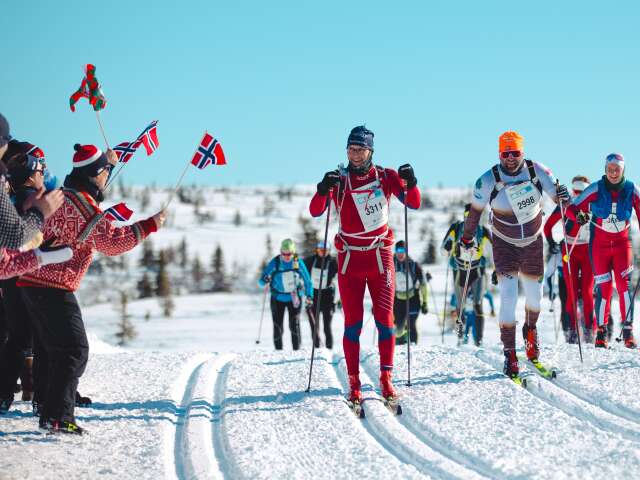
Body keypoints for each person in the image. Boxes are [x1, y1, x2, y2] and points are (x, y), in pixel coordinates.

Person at [16, 143, 166, 434]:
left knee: (55, 349)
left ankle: (49, 410)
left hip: (29, 281)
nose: (107, 176)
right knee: (74, 350)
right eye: (105, 172)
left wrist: (109, 161)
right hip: (52, 285)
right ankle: (58, 416)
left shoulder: (63, 195)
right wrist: (150, 225)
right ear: (95, 174)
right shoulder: (84, 207)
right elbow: (114, 243)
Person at [309, 125, 421, 404]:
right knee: (353, 325)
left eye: (360, 149)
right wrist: (323, 189)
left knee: (386, 320)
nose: (355, 155)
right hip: (349, 259)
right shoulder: (340, 180)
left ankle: (385, 378)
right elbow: (315, 210)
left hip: (380, 256)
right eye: (350, 149)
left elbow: (414, 203)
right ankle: (354, 382)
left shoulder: (386, 176)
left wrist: (412, 182)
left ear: (371, 150)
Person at [461, 131, 568, 379]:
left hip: (532, 242)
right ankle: (510, 354)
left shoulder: (536, 170)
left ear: (523, 152)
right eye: (505, 153)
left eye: (515, 153)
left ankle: (530, 334)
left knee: (535, 298)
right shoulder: (488, 179)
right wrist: (467, 238)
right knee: (508, 297)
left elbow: (559, 198)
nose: (510, 158)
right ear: (499, 154)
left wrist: (566, 200)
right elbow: (474, 214)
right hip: (504, 243)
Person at [567, 153, 640, 348]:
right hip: (599, 245)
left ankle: (628, 331)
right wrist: (578, 216)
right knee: (604, 287)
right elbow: (571, 207)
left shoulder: (632, 190)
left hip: (622, 244)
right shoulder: (596, 188)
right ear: (605, 170)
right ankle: (601, 331)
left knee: (624, 286)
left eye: (617, 169)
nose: (613, 173)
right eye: (610, 169)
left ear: (623, 169)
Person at [544, 175, 594, 343]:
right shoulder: (565, 205)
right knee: (573, 293)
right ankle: (574, 333)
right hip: (570, 251)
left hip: (586, 251)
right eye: (576, 191)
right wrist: (552, 243)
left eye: (582, 191)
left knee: (586, 292)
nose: (579, 194)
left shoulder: (592, 204)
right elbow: (548, 226)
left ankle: (588, 332)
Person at [442, 203, 492, 346]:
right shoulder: (456, 228)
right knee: (460, 305)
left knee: (477, 304)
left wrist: (496, 269)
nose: (470, 220)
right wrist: (447, 248)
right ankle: (460, 337)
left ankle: (479, 340)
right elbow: (443, 250)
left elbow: (494, 253)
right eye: (467, 217)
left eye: (473, 217)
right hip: (459, 271)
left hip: (477, 270)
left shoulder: (483, 231)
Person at [259, 239, 313, 351]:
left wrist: (309, 296)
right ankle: (278, 352)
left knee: (294, 325)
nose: (287, 256)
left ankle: (297, 352)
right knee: (278, 326)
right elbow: (261, 282)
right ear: (281, 252)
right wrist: (265, 279)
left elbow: (308, 281)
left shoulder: (297, 262)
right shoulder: (276, 262)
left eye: (289, 254)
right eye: (284, 253)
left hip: (294, 298)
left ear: (293, 253)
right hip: (277, 298)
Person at [302, 241, 338, 349]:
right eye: (320, 250)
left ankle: (329, 348)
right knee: (314, 325)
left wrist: (338, 300)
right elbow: (300, 269)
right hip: (313, 295)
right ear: (317, 250)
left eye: (325, 251)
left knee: (327, 326)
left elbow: (341, 276)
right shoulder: (310, 260)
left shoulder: (333, 262)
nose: (322, 252)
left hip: (328, 295)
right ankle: (316, 349)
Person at [392, 240, 428, 345]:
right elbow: (383, 284)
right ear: (395, 251)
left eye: (403, 250)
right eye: (398, 250)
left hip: (413, 299)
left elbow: (423, 284)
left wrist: (425, 302)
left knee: (411, 324)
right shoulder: (390, 264)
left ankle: (413, 348)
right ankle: (399, 348)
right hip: (398, 300)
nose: (400, 253)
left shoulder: (413, 265)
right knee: (398, 329)